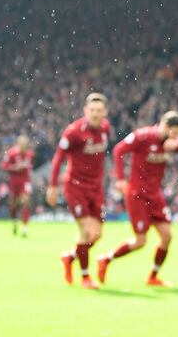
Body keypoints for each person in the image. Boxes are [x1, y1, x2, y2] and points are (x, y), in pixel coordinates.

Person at [98, 111, 178, 287]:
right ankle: (106, 259)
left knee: (167, 236)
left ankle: (153, 276)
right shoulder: (143, 136)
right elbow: (119, 150)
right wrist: (120, 179)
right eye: (174, 133)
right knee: (140, 241)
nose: (176, 137)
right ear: (164, 126)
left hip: (155, 195)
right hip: (137, 195)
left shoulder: (172, 141)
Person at [48, 93, 111, 290]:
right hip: (75, 186)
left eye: (99, 111)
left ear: (105, 113)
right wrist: (52, 185)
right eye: (92, 110)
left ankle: (71, 257)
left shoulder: (106, 128)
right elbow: (58, 157)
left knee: (97, 235)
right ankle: (85, 277)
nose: (95, 114)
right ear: (86, 111)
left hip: (96, 187)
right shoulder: (73, 132)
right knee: (86, 231)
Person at [0, 135, 35, 237]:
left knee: (26, 202)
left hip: (25, 181)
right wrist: (15, 167)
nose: (24, 146)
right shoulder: (11, 153)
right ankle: (14, 221)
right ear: (18, 144)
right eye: (22, 144)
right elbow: (4, 165)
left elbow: (30, 167)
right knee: (14, 204)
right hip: (14, 181)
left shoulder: (30, 154)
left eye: (25, 144)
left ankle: (24, 228)